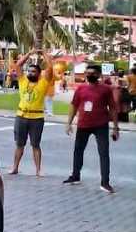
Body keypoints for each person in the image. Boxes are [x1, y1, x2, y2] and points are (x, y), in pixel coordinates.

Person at [64, 64, 119, 193]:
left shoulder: (105, 89)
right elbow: (74, 105)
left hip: (101, 125)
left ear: (99, 75)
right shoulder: (81, 88)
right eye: (87, 73)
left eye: (93, 73)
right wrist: (69, 123)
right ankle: (75, 176)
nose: (89, 75)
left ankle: (105, 182)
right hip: (83, 125)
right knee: (78, 150)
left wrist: (115, 127)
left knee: (103, 152)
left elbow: (112, 108)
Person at [8, 49, 54, 177]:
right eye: (29, 71)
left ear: (39, 74)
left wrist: (43, 53)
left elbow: (50, 67)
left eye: (33, 71)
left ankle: (38, 170)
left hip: (37, 118)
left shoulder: (43, 83)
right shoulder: (23, 80)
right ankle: (15, 167)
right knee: (19, 144)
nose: (30, 73)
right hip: (21, 116)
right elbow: (17, 66)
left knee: (35, 145)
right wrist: (29, 54)